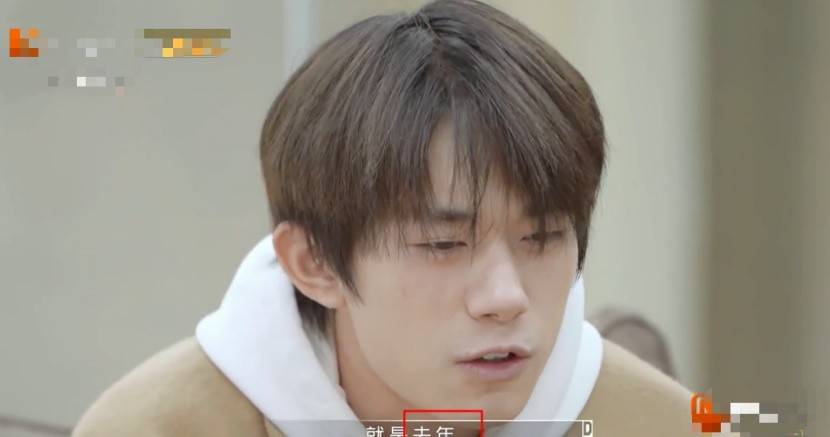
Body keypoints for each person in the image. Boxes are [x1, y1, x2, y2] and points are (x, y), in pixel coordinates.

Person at [72, 1, 696, 436]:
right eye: (444, 243)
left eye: (543, 236)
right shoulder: (158, 426)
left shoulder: (661, 426)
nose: (506, 297)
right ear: (314, 263)